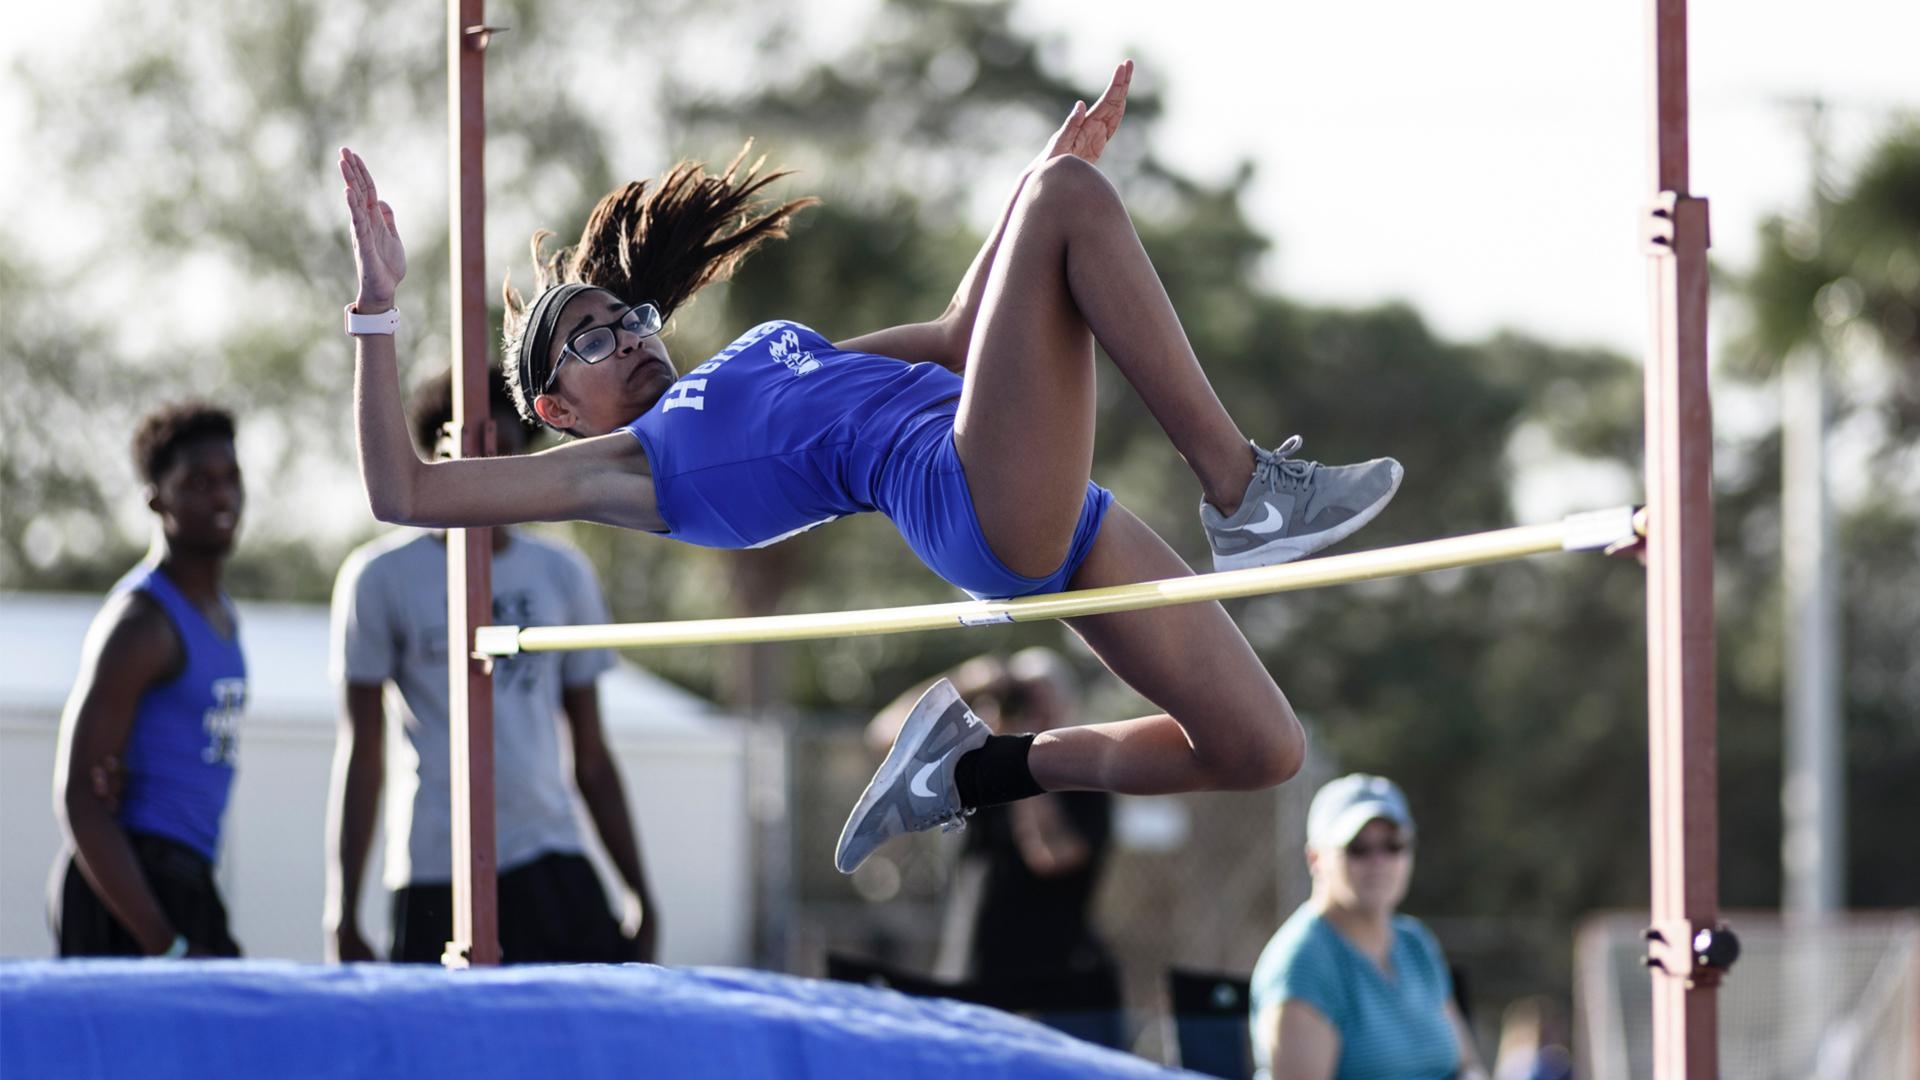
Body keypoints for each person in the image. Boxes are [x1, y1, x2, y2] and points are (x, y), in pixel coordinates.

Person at [335, 59, 1403, 877]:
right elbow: (406, 493)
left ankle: (974, 767)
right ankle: (1245, 492)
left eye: (630, 315)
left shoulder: (758, 361)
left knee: (1261, 748)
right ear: (559, 410)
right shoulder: (624, 469)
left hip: (1049, 505)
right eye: (592, 339)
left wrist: (1034, 175)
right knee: (1071, 203)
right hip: (967, 497)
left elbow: (953, 334)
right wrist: (377, 308)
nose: (629, 335)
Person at [324, 366, 659, 964]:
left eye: (504, 455)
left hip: (548, 858)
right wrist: (342, 909)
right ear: (436, 452)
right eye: (469, 453)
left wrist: (640, 891)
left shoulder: (560, 574)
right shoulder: (380, 578)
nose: (487, 474)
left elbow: (591, 751)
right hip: (436, 865)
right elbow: (361, 753)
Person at [50, 403, 247, 959]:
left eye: (231, 478)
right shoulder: (142, 622)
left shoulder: (222, 613)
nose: (223, 497)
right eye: (199, 482)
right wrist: (167, 944)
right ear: (157, 497)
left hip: (187, 877)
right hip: (136, 890)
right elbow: (79, 798)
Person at [868, 649, 1114, 983]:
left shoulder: (1087, 774)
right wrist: (966, 683)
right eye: (1019, 702)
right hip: (973, 967)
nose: (1029, 713)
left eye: (1038, 703)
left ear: (1064, 707)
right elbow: (882, 736)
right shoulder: (979, 767)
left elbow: (1049, 857)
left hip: (1057, 981)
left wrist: (1023, 761)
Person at [1250, 775, 1487, 1080]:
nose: (1379, 861)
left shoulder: (1416, 943)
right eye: (1357, 848)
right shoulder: (1303, 963)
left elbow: (1468, 1063)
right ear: (1315, 858)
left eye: (1393, 845)